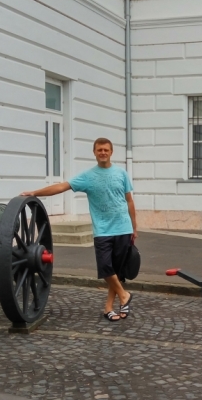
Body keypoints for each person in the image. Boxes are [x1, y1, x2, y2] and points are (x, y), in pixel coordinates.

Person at [21, 138, 136, 322]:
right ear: (94, 152)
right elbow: (61, 186)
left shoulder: (122, 174)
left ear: (111, 152)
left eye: (106, 150)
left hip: (123, 228)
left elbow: (129, 201)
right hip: (103, 231)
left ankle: (109, 307)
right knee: (106, 268)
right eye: (100, 150)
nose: (103, 153)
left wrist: (134, 227)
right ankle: (125, 296)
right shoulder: (88, 176)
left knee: (117, 271)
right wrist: (35, 192)